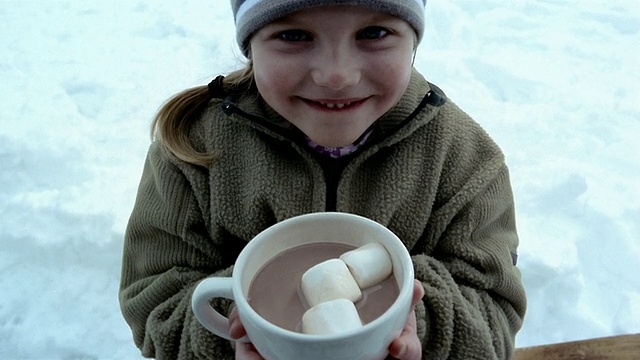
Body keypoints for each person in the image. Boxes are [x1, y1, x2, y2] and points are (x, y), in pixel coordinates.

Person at [119, 0, 527, 359]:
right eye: (293, 34)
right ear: (250, 42)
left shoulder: (463, 157)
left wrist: (403, 321)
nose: (337, 75)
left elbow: (494, 314)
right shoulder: (192, 147)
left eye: (374, 32)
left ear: (413, 40)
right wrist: (248, 324)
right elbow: (154, 308)